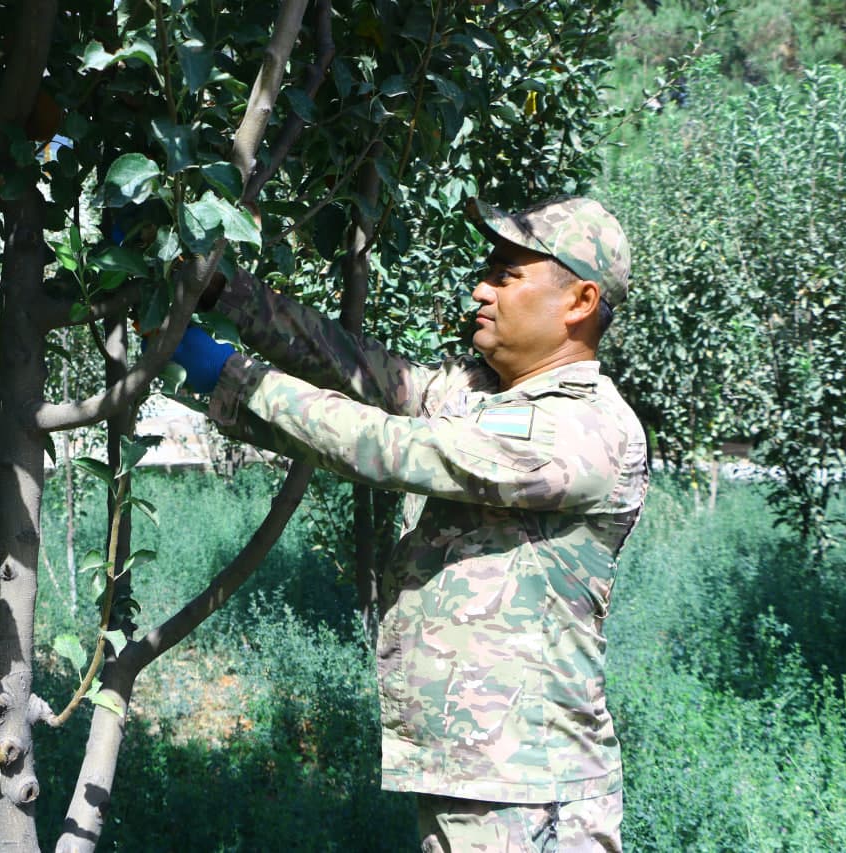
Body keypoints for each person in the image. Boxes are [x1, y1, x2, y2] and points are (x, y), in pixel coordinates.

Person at [168, 196, 648, 852]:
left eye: (507, 276)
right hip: (476, 772)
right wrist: (224, 293)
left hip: (532, 791)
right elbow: (360, 369)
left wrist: (232, 373)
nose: (481, 288)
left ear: (579, 301)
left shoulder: (588, 429)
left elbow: (398, 448)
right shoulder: (482, 396)